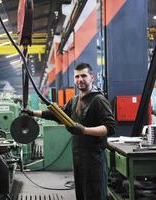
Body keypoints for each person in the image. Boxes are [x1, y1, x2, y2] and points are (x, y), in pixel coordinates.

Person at [22, 63, 116, 200]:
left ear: (92, 78)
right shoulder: (75, 100)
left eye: (84, 75)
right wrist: (32, 113)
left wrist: (84, 130)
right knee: (81, 194)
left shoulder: (98, 100)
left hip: (93, 159)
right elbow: (57, 114)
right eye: (77, 76)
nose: (80, 79)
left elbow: (110, 127)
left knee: (94, 194)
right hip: (79, 157)